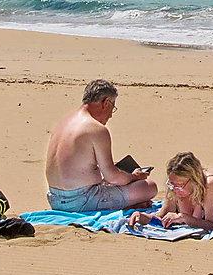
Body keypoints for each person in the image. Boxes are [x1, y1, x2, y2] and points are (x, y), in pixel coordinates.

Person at [43, 79, 158, 213]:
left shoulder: (64, 122)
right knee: (149, 187)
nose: (110, 115)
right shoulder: (96, 128)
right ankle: (124, 204)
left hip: (55, 200)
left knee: (117, 180)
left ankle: (124, 203)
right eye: (112, 108)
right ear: (106, 103)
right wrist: (134, 176)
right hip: (83, 201)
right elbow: (113, 178)